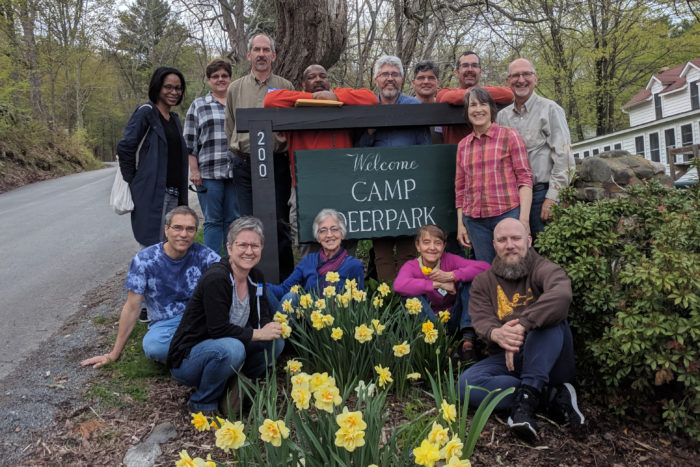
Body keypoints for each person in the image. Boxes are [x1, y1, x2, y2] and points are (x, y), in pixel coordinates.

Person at [458, 218, 584, 443]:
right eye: (502, 240)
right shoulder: (483, 282)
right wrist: (498, 335)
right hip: (510, 358)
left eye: (516, 238)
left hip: (550, 357)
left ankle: (524, 403)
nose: (509, 245)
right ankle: (549, 395)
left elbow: (561, 295)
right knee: (465, 386)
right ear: (494, 244)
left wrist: (523, 326)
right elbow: (481, 319)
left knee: (549, 320)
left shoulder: (545, 269)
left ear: (528, 241)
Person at [167, 216, 284, 413]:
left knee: (275, 342)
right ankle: (203, 402)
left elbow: (261, 313)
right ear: (229, 248)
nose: (249, 251)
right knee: (233, 348)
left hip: (225, 347)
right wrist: (258, 334)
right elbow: (217, 329)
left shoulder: (256, 277)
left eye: (255, 246)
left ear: (261, 248)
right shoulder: (217, 279)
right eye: (242, 245)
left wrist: (267, 326)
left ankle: (234, 385)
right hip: (190, 358)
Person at [81, 206, 220, 368]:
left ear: (196, 232)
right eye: (177, 228)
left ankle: (189, 358)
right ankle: (206, 354)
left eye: (190, 229)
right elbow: (132, 307)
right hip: (165, 324)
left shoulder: (204, 255)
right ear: (166, 229)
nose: (184, 234)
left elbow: (228, 277)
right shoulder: (145, 260)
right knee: (154, 347)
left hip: (198, 319)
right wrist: (114, 354)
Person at [264, 65, 378, 255]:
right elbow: (269, 100)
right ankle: (313, 283)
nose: (317, 79)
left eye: (322, 76)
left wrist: (333, 97)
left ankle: (344, 282)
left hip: (343, 185)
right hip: (305, 187)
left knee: (346, 239)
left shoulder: (341, 101)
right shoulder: (293, 104)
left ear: (329, 82)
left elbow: (371, 99)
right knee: (306, 239)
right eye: (311, 77)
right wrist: (315, 99)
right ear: (303, 84)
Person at [224, 33, 295, 278]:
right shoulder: (235, 88)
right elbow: (230, 126)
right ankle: (250, 280)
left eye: (266, 50)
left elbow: (292, 127)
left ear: (273, 55)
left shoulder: (285, 86)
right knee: (248, 224)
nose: (261, 54)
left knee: (279, 224)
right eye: (257, 50)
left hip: (277, 164)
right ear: (249, 54)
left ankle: (285, 282)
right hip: (245, 166)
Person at [355, 55, 431, 282]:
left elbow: (425, 148)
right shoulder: (366, 107)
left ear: (402, 79)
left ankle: (411, 304)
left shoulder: (414, 107)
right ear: (376, 79)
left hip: (408, 191)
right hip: (377, 193)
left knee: (409, 251)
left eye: (394, 74)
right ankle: (387, 303)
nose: (390, 79)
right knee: (382, 254)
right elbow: (355, 151)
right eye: (385, 74)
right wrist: (370, 129)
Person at [496, 58, 575, 239]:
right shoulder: (502, 117)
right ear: (508, 81)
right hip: (512, 199)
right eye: (515, 75)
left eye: (526, 74)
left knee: (545, 253)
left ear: (535, 78)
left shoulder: (550, 109)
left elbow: (564, 156)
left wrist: (553, 196)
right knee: (518, 255)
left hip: (542, 195)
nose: (521, 79)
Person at [455, 87, 533, 264]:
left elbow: (524, 178)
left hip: (507, 214)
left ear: (491, 109)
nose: (478, 109)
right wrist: (461, 224)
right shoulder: (463, 146)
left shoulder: (509, 136)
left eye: (483, 104)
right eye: (473, 105)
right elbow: (460, 189)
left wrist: (524, 220)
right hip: (475, 222)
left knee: (514, 267)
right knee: (487, 271)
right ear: (467, 112)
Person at [393, 224, 490, 359]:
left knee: (472, 280)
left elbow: (485, 267)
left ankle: (468, 340)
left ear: (444, 246)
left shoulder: (449, 260)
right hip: (429, 323)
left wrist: (452, 276)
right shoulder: (411, 266)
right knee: (409, 296)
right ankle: (442, 342)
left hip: (454, 320)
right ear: (418, 246)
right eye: (426, 243)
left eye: (437, 243)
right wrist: (436, 284)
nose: (432, 248)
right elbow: (398, 285)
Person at [118, 67, 189, 247]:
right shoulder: (146, 113)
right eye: (168, 87)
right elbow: (125, 147)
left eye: (178, 88)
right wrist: (135, 182)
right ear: (158, 87)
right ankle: (146, 276)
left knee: (171, 246)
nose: (174, 92)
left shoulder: (173, 119)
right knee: (151, 247)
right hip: (152, 193)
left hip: (174, 193)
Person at [184, 58, 239, 255]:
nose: (220, 79)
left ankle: (232, 262)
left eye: (224, 76)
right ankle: (212, 264)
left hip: (235, 172)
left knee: (233, 220)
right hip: (208, 173)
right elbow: (189, 142)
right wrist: (194, 171)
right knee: (213, 220)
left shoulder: (237, 103)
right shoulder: (199, 105)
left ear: (230, 78)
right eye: (215, 76)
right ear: (208, 80)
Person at [269, 209, 365, 304]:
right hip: (309, 317)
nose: (329, 235)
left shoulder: (354, 265)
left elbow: (358, 304)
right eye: (323, 231)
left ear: (342, 234)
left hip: (340, 318)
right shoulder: (309, 261)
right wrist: (256, 284)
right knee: (291, 297)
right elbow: (283, 290)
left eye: (334, 229)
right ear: (318, 238)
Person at [436, 51, 514, 144]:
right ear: (457, 72)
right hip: (453, 154)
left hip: (487, 153)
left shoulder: (489, 90)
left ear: (480, 72)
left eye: (474, 65)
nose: (470, 69)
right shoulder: (445, 92)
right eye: (465, 65)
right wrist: (479, 93)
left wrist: (475, 91)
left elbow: (508, 94)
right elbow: (447, 97)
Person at [411, 60, 443, 143]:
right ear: (413, 83)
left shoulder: (444, 107)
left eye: (431, 78)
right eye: (421, 78)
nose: (426, 82)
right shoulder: (405, 107)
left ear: (438, 82)